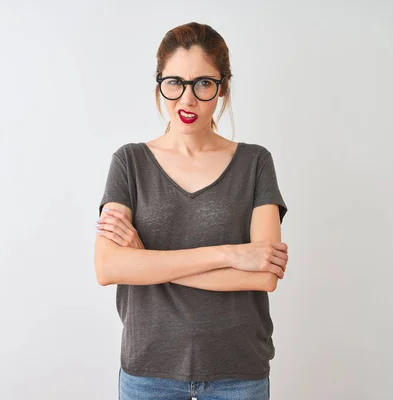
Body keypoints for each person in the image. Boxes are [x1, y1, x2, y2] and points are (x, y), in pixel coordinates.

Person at [94, 22, 289, 400]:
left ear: (223, 87)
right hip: (149, 372)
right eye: (175, 83)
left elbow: (264, 276)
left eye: (203, 83)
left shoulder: (255, 162)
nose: (187, 100)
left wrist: (147, 263)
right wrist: (231, 254)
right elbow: (108, 268)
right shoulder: (129, 162)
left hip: (238, 372)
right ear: (159, 84)